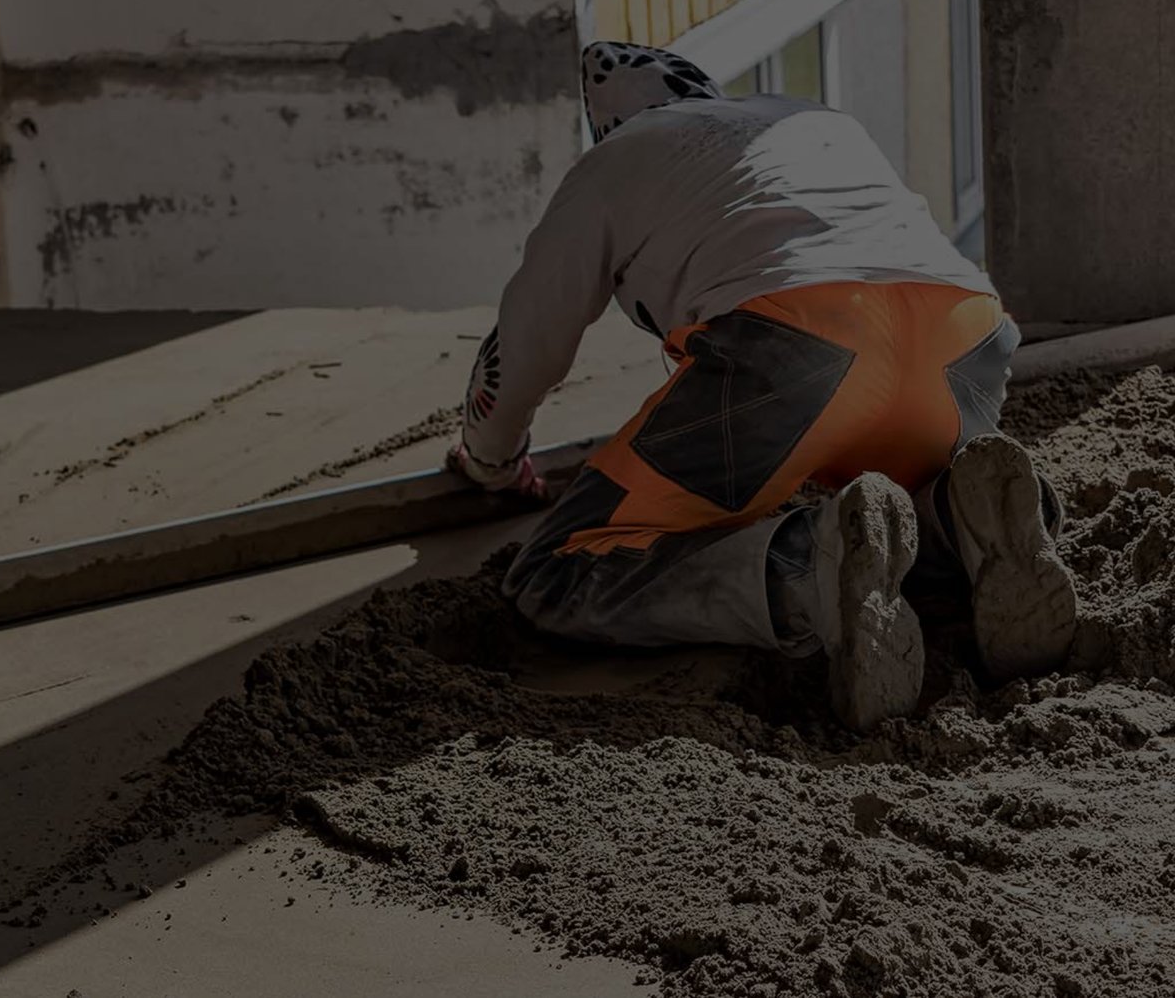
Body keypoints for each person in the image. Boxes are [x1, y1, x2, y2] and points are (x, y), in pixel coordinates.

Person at [447, 40, 1078, 731]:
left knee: (557, 571)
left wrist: (493, 460)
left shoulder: (613, 161)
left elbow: (525, 344)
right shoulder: (811, 119)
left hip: (799, 349)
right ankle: (962, 523)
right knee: (890, 491)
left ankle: (809, 572)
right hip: (966, 339)